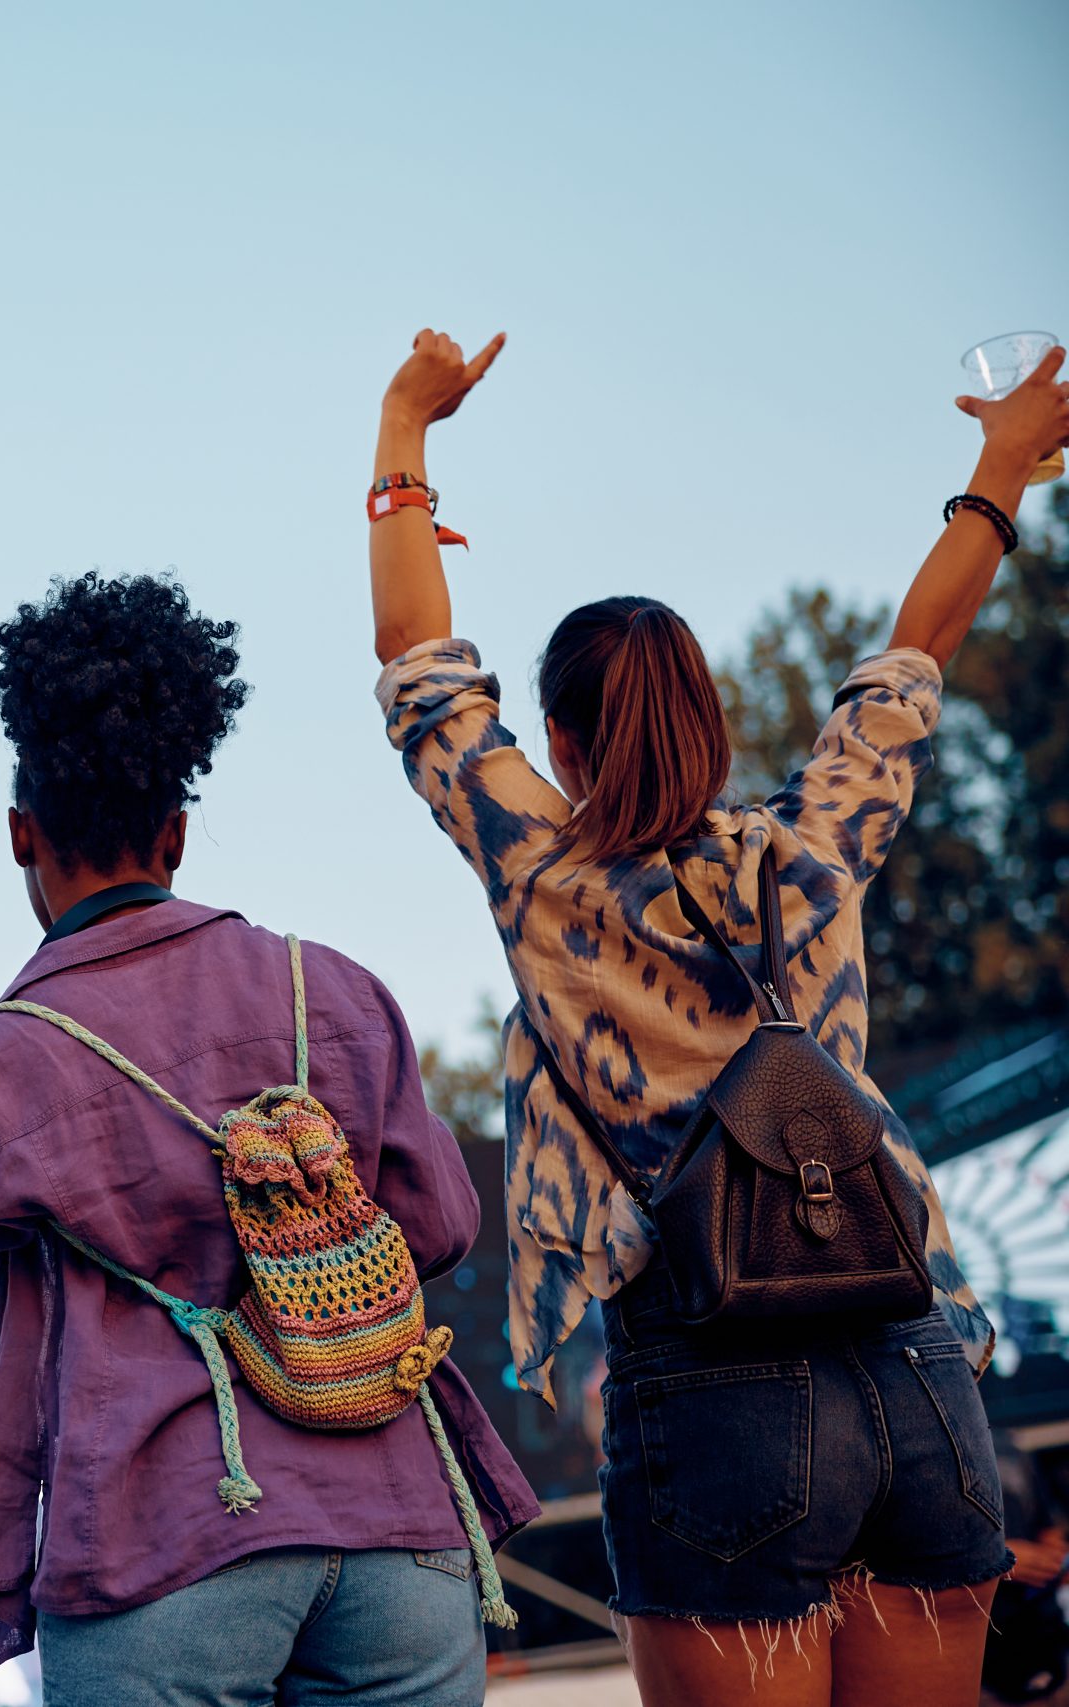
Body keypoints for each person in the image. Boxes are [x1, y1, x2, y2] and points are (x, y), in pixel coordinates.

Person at [368, 328, 1069, 1706]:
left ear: (560, 745)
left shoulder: (547, 879)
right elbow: (914, 653)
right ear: (709, 717)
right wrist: (1002, 462)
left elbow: (417, 663)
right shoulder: (811, 847)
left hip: (715, 1384)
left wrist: (406, 429)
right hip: (915, 1365)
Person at [0, 571, 539, 1705]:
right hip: (397, 1519)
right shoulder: (333, 991)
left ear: (21, 834)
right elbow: (443, 1225)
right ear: (176, 830)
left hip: (164, 1542)